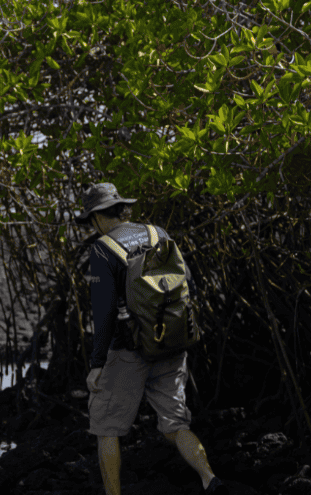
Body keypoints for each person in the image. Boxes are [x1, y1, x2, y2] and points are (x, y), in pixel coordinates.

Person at [75, 183, 228, 495]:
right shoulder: (159, 233)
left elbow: (102, 314)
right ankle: (209, 478)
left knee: (106, 428)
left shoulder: (103, 249)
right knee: (176, 424)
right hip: (171, 343)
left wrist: (96, 364)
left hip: (128, 352)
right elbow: (189, 285)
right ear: (122, 209)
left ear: (97, 218)